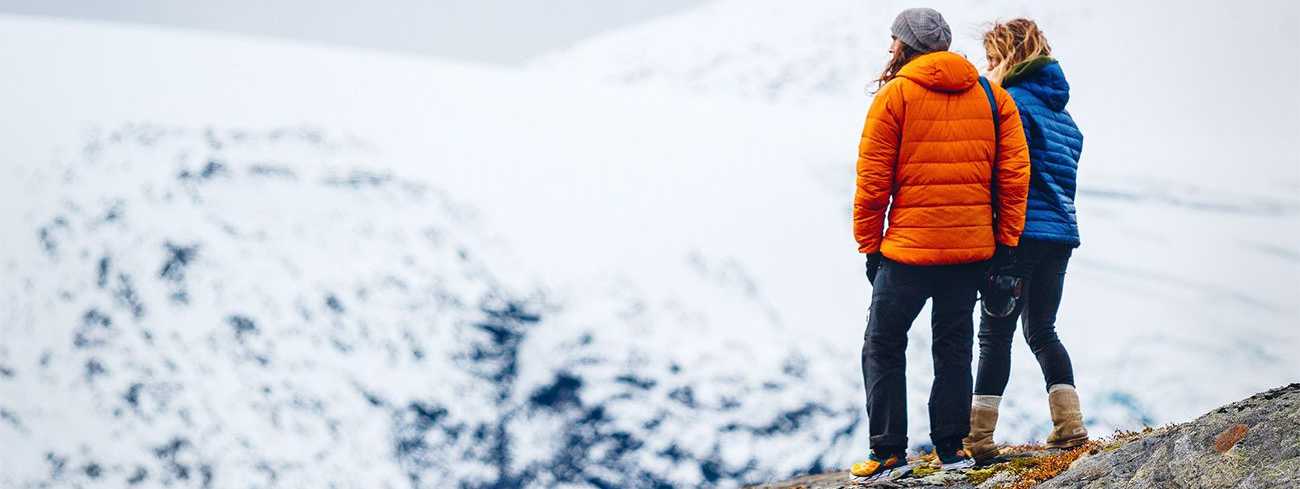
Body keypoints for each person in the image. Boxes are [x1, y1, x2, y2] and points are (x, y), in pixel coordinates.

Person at [850, 8, 1030, 479]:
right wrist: (1006, 244)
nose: (890, 46)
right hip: (971, 252)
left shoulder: (896, 96)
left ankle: (889, 453)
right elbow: (1014, 178)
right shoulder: (991, 96)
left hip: (907, 253)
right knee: (954, 348)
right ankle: (951, 450)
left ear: (905, 45)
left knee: (882, 344)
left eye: (894, 39)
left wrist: (870, 247)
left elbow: (873, 183)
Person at [962, 18, 1088, 462]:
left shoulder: (1010, 103)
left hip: (1019, 236)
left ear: (1008, 56)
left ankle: (978, 438)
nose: (987, 67)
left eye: (991, 58)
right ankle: (1070, 426)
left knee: (994, 335)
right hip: (1060, 236)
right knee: (1042, 330)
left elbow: (1002, 170)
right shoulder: (1064, 117)